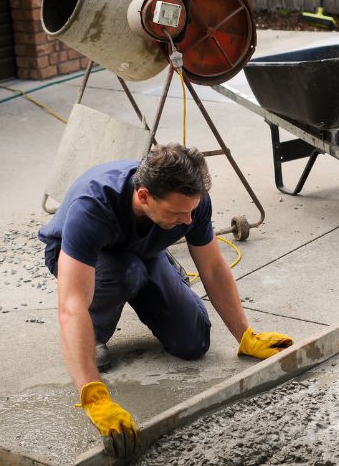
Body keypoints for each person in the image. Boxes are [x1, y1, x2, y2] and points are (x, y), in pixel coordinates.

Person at [39, 144, 293, 458]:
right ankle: (95, 336)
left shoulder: (190, 205)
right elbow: (71, 304)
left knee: (194, 342)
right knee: (127, 273)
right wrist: (93, 395)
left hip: (145, 250)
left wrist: (245, 335)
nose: (189, 221)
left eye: (191, 211)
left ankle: (153, 270)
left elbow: (212, 268)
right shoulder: (92, 207)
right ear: (143, 196)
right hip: (80, 258)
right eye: (177, 213)